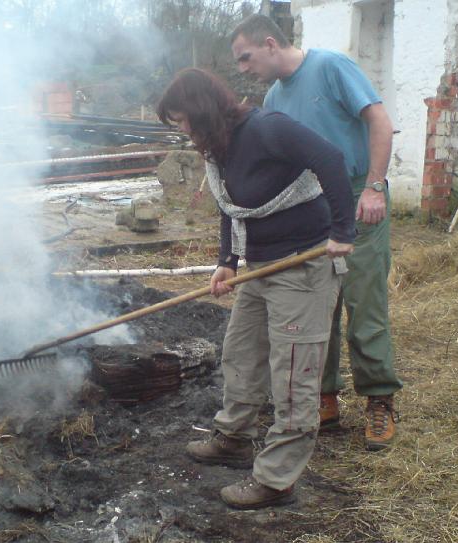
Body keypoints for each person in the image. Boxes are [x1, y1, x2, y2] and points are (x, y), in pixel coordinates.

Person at [156, 68, 355, 509]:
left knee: (291, 376)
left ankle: (276, 480)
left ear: (202, 111)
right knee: (241, 352)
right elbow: (230, 206)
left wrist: (343, 228)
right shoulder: (220, 147)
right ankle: (234, 438)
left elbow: (332, 160)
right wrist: (227, 262)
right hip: (259, 266)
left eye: (183, 120)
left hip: (303, 267)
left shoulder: (269, 128)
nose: (183, 131)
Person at [230, 14, 402, 450]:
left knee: (365, 306)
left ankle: (379, 399)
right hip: (313, 212)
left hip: (360, 204)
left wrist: (374, 187)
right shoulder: (273, 96)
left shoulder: (330, 67)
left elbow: (379, 122)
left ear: (270, 44)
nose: (243, 69)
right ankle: (325, 396)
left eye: (246, 57)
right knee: (315, 306)